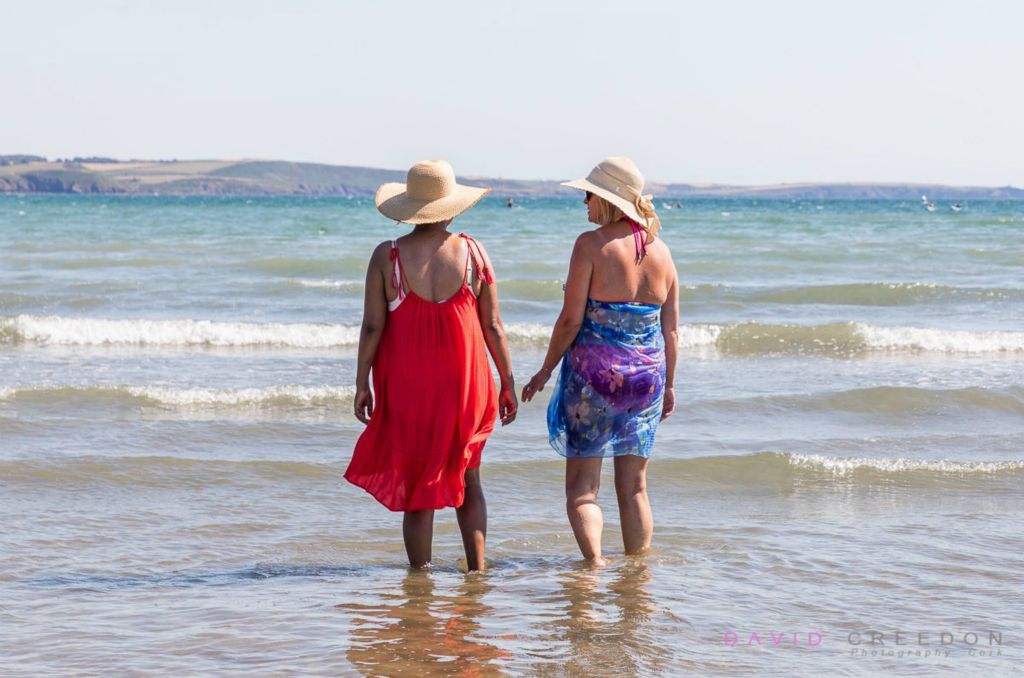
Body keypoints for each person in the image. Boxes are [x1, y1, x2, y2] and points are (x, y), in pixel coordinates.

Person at [344, 160, 517, 571]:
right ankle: (477, 571)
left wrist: (361, 382)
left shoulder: (387, 258)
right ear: (452, 206)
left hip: (410, 385)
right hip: (466, 384)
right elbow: (492, 325)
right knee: (469, 476)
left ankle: (419, 582)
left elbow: (372, 327)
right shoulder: (473, 253)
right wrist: (507, 382)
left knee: (418, 485)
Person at [522, 156, 678, 567]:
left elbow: (571, 319)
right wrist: (671, 386)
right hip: (648, 377)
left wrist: (544, 370)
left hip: (594, 380)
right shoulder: (662, 252)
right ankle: (636, 577)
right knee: (635, 488)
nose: (584, 203)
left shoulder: (590, 245)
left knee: (582, 490)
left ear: (608, 200)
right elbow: (671, 331)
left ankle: (593, 566)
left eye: (589, 195)